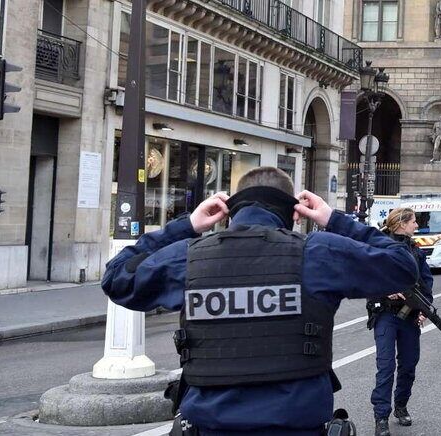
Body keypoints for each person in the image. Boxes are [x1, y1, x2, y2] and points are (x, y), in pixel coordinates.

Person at [102, 167, 420, 435]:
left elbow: (117, 279)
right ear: (294, 214)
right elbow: (403, 266)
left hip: (210, 425)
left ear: (230, 212)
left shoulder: (189, 256)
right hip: (298, 424)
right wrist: (333, 218)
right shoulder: (318, 252)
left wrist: (187, 225)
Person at [367, 207, 435, 435]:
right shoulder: (379, 247)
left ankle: (401, 405)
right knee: (385, 366)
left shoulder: (415, 251)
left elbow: (426, 282)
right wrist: (386, 292)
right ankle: (381, 417)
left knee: (408, 365)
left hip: (410, 316)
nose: (416, 225)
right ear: (401, 223)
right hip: (386, 314)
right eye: (413, 221)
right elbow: (366, 279)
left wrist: (425, 308)